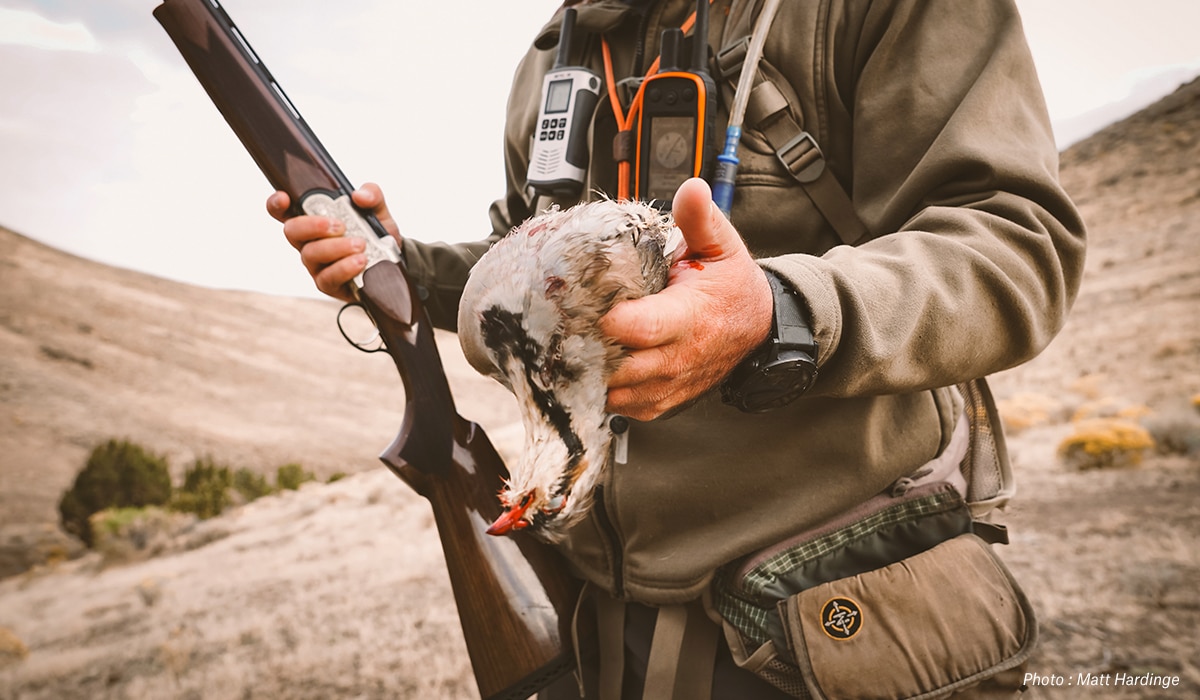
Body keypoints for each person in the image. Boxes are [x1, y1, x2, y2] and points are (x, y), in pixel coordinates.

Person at [269, 0, 1085, 697]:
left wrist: (778, 314)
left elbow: (1017, 246)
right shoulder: (557, 49)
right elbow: (535, 271)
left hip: (828, 614)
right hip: (591, 623)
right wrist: (398, 269)